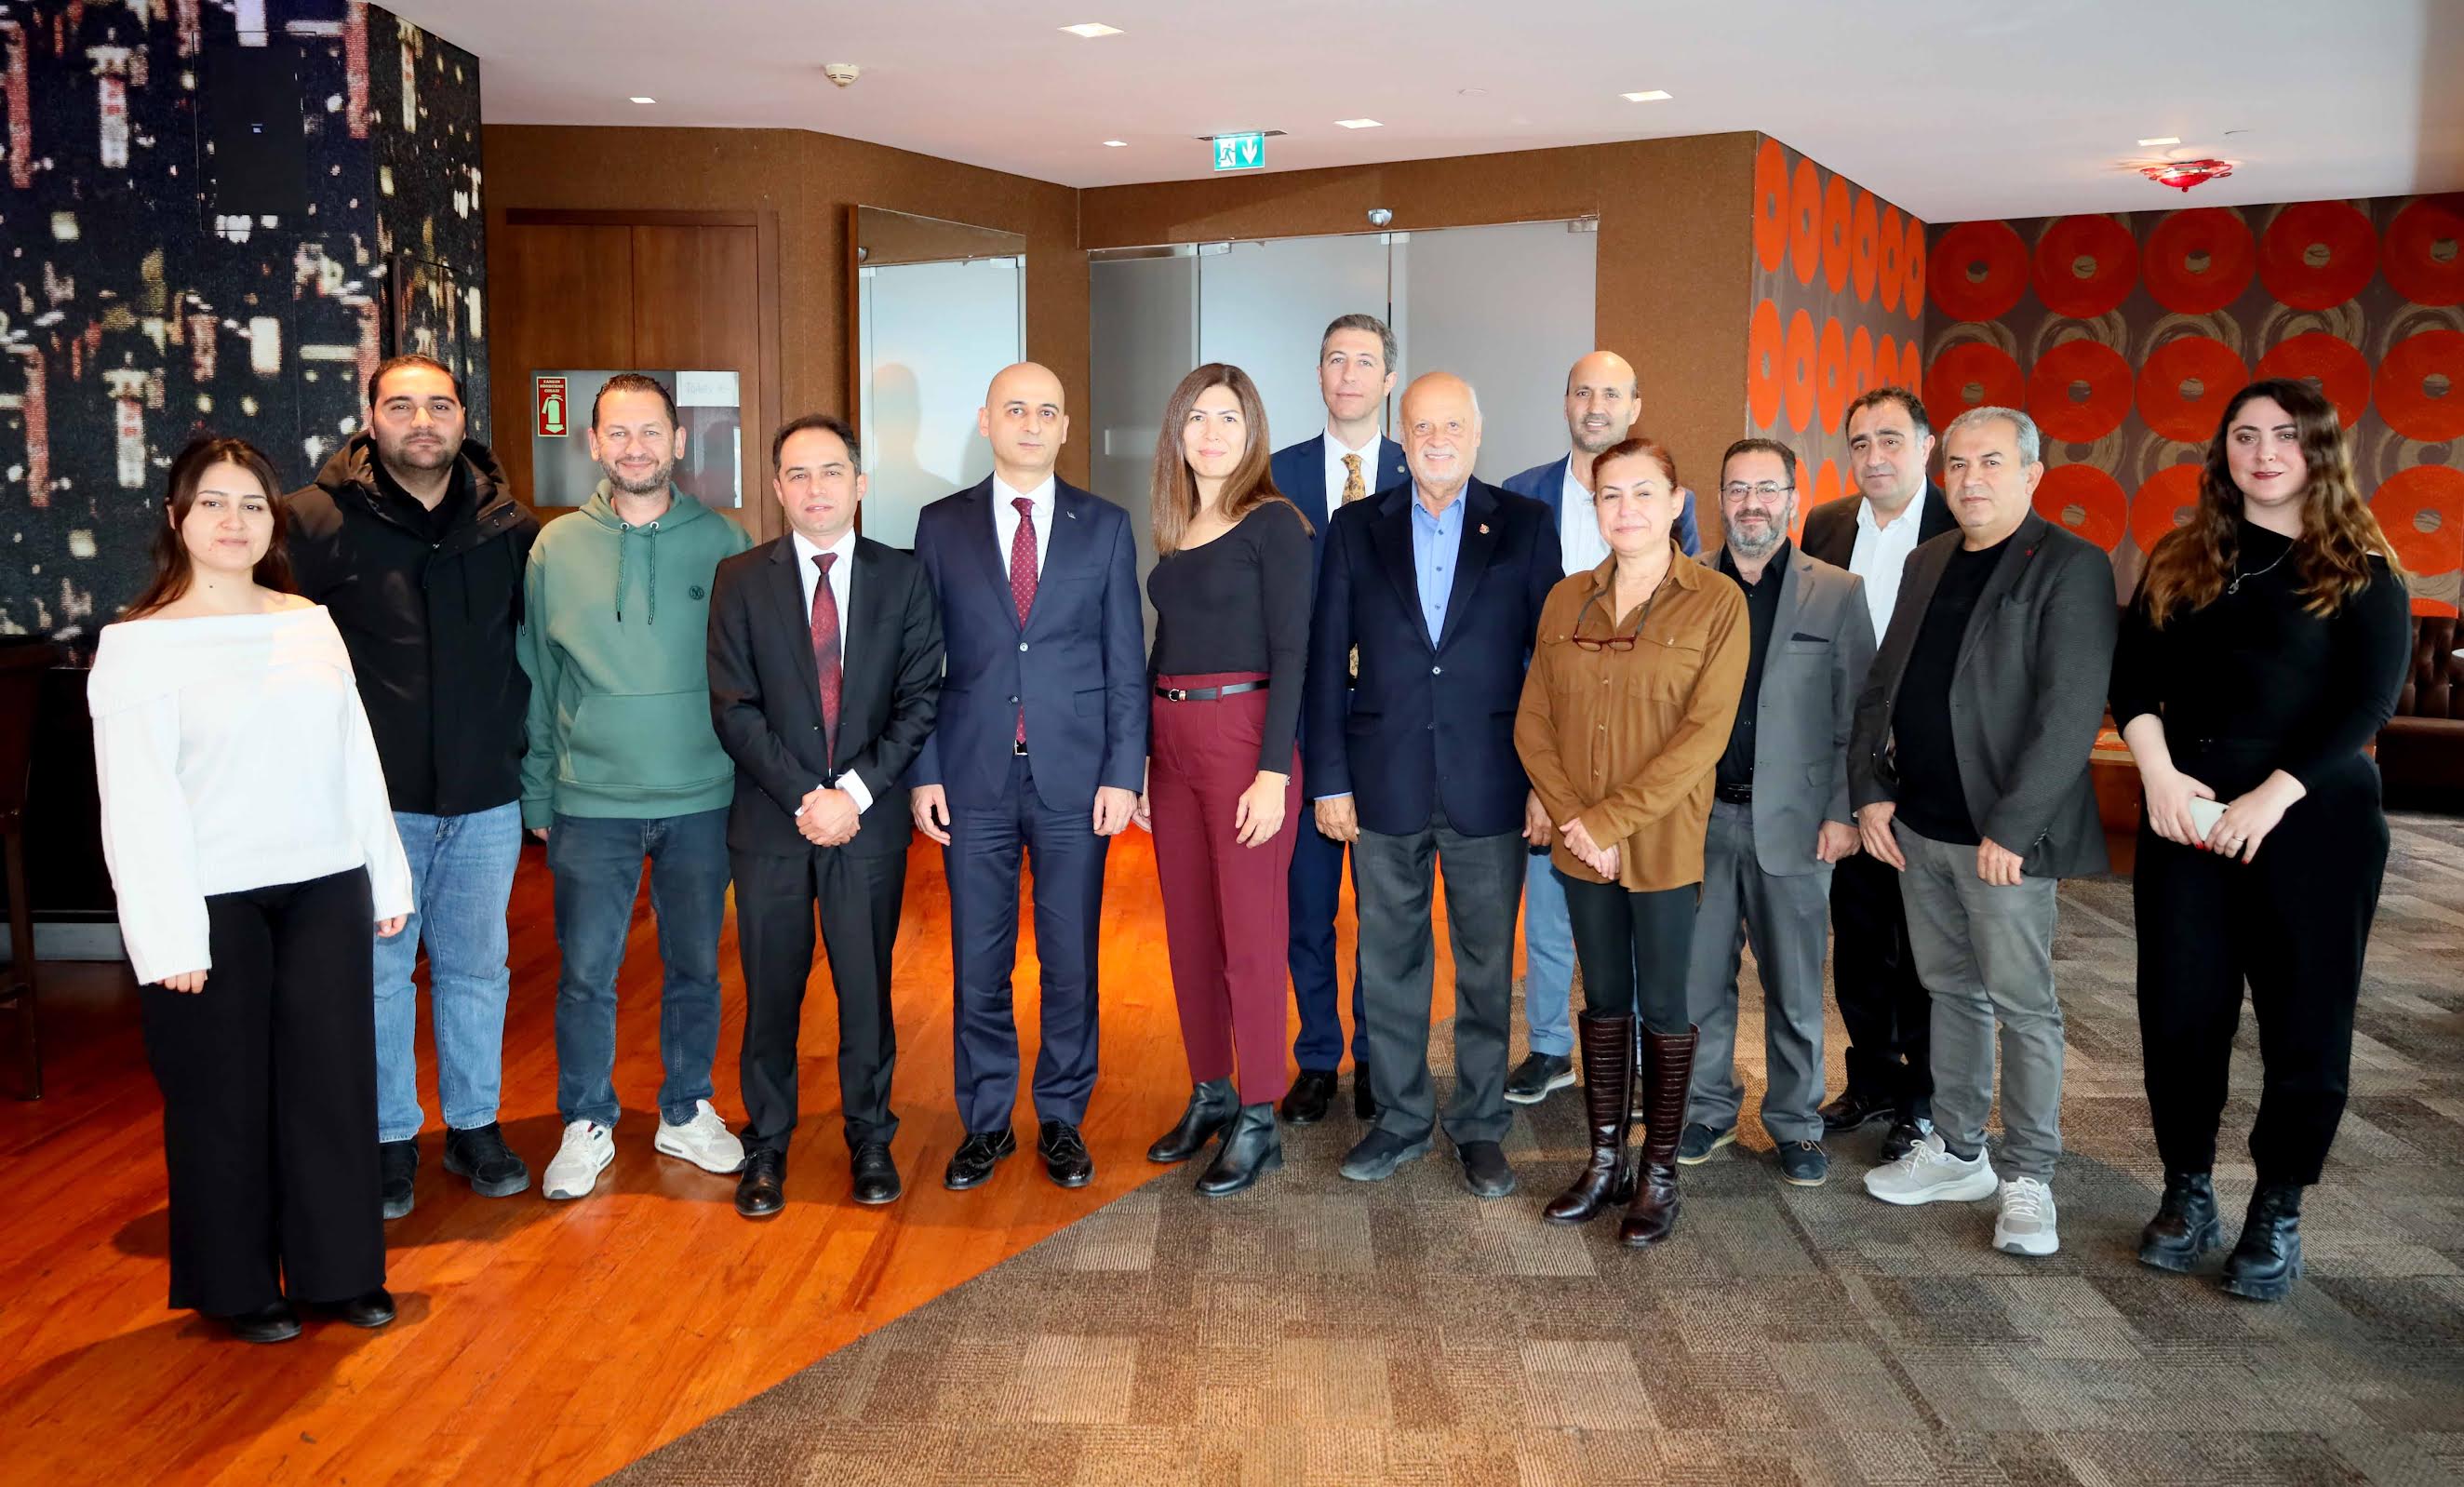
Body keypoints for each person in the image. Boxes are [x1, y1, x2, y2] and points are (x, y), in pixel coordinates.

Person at [90, 435, 412, 1343]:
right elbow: (136, 803)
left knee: (332, 1086)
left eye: (252, 505)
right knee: (222, 1098)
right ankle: (235, 1286)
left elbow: (354, 757)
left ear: (273, 521)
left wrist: (384, 872)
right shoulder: (137, 644)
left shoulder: (307, 621)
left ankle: (340, 1272)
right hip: (210, 900)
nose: (234, 522)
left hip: (325, 882)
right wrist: (167, 935)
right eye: (212, 503)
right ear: (176, 518)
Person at [2111, 379, 2410, 1302]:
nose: (2264, 452)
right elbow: (2132, 681)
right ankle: (2186, 1191)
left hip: (2312, 818)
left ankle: (2277, 1208)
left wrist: (2270, 798)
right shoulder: (2180, 556)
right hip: (2188, 814)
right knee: (2179, 1011)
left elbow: (2367, 703)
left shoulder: (2360, 566)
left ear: (2318, 451)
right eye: (2244, 435)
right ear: (2223, 452)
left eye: (2285, 435)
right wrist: (2157, 776)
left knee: (2303, 1019)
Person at [1849, 406, 2115, 1259]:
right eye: (1958, 464)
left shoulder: (2070, 566)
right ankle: (1961, 1151)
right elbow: (1883, 686)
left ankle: (2029, 1174)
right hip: (1920, 829)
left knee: (2024, 1007)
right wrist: (1872, 792)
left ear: (2031, 473)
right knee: (1949, 993)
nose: (1971, 479)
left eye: (1991, 462)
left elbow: (2069, 711)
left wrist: (2015, 827)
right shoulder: (1928, 560)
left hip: (2003, 843)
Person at [287, 354, 537, 1220]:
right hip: (372, 802)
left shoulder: (508, 525)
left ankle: (474, 1126)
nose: (421, 421)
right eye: (401, 406)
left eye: (439, 405)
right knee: (378, 975)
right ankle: (390, 1135)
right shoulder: (312, 521)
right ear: (370, 418)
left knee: (478, 970)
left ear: (464, 417)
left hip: (485, 794)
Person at [1308, 372, 1560, 1200]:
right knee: (1389, 961)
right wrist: (1329, 779)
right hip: (1382, 782)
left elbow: (1549, 665)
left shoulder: (1525, 523)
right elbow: (1325, 659)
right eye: (1422, 427)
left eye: (1453, 425)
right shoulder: (1355, 527)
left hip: (1492, 782)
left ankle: (1480, 1124)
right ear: (1402, 437)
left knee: (1487, 969)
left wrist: (1546, 784)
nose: (1438, 440)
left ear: (1477, 434)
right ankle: (1402, 1117)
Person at [910, 364, 1144, 1192]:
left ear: (1066, 427)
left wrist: (1124, 772)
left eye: (1048, 411)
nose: (1032, 423)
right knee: (979, 964)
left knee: (1071, 961)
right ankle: (985, 1123)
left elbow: (1126, 660)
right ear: (986, 421)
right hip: (971, 776)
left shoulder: (1105, 526)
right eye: (1016, 409)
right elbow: (918, 662)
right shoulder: (940, 525)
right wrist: (924, 771)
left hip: (1075, 780)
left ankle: (1061, 1117)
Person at [520, 373, 753, 1202]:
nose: (635, 447)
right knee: (587, 973)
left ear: (678, 442)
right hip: (591, 802)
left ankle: (686, 1109)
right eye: (617, 432)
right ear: (594, 444)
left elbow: (750, 677)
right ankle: (586, 1119)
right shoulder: (555, 548)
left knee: (695, 968)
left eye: (651, 431)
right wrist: (538, 792)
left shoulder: (725, 541)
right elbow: (539, 677)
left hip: (702, 797)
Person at [1515, 436, 1748, 1245]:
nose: (1627, 510)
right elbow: (1533, 721)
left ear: (1677, 502)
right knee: (1605, 999)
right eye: (1610, 495)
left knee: (1669, 1006)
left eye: (1644, 492)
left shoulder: (1717, 602)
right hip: (1581, 841)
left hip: (1663, 841)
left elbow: (1703, 736)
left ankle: (1660, 1173)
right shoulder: (1566, 600)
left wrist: (1609, 821)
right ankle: (1606, 1161)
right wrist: (1576, 817)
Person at [710, 414, 944, 1216]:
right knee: (771, 990)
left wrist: (856, 795)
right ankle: (767, 1142)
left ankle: (871, 1136)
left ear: (860, 484)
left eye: (832, 472)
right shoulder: (741, 579)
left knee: (865, 986)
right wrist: (806, 796)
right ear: (778, 488)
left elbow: (919, 700)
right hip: (772, 822)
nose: (816, 489)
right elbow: (733, 707)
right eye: (799, 474)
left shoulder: (903, 577)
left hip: (867, 824)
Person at [1500, 352, 1701, 1108]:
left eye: (1612, 392)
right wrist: (1542, 783)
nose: (1596, 404)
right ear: (1565, 402)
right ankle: (1551, 1048)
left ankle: (1643, 1060)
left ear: (1634, 404)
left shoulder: (1672, 510)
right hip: (1553, 751)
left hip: (1644, 761)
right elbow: (1519, 643)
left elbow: (1680, 643)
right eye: (1582, 391)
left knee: (1643, 928)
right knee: (1551, 914)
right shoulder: (1521, 495)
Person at [1676, 439, 1871, 1188]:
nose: (1751, 504)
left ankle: (1796, 1123)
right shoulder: (1686, 585)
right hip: (1702, 822)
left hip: (1798, 825)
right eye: (1736, 489)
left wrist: (1844, 811)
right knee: (1700, 984)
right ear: (1720, 499)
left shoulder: (1837, 592)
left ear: (1792, 499)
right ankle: (1706, 1110)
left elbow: (1856, 715)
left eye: (1766, 489)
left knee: (1793, 988)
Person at [1138, 363, 1314, 1198]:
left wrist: (1274, 771)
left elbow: (1293, 651)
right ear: (1178, 431)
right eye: (1198, 418)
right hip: (1171, 741)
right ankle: (1211, 1088)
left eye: (1229, 418)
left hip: (1244, 738)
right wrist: (1143, 759)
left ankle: (1259, 1114)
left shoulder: (1274, 523)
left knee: (1250, 936)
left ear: (1253, 434)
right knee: (1189, 933)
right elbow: (1163, 645)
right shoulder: (1178, 528)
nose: (1212, 433)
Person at [1800, 385, 1954, 1160]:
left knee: (1925, 944)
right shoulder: (1826, 525)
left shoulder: (1960, 525)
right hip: (1849, 766)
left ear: (1926, 446)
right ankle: (1870, 1080)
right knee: (1859, 936)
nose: (1875, 456)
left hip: (1929, 768)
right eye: (1860, 442)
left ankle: (1922, 1100)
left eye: (1891, 440)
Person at [1266, 314, 1407, 1126]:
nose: (1348, 374)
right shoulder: (1274, 473)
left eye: (1364, 361)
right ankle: (1318, 1056)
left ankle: (1375, 1057)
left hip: (1388, 724)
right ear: (1318, 374)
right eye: (1335, 360)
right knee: (1307, 909)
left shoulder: (1419, 469)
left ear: (1388, 380)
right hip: (1299, 722)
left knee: (1384, 914)